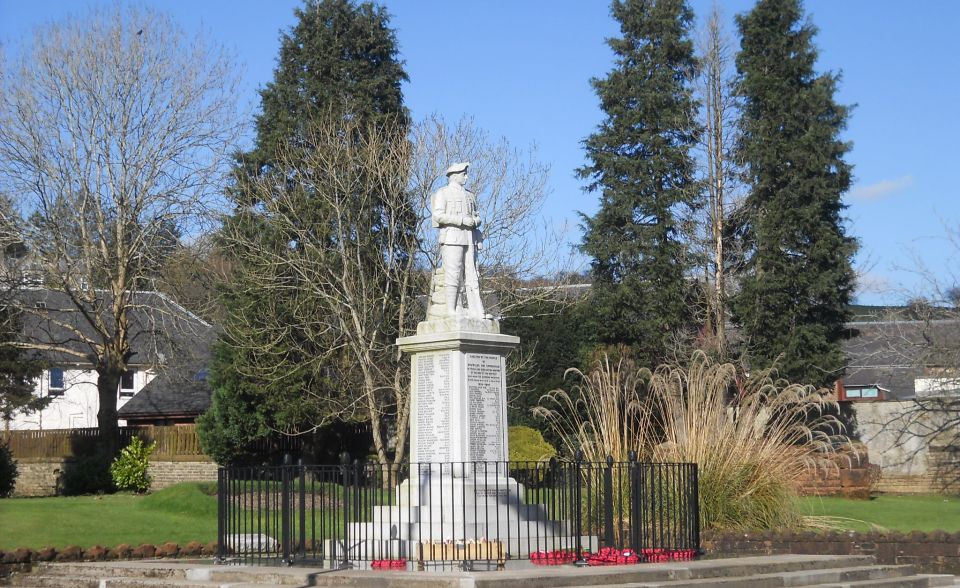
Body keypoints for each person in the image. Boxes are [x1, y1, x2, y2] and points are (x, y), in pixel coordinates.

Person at [432, 162, 488, 318]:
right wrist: (461, 220)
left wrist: (475, 221)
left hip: (470, 238)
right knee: (453, 273)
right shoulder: (443, 193)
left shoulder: (470, 195)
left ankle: (473, 309)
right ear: (455, 176)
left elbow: (477, 215)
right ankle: (451, 309)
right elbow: (438, 216)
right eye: (464, 174)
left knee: (471, 273)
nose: (466, 177)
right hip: (452, 237)